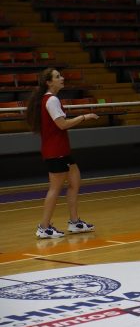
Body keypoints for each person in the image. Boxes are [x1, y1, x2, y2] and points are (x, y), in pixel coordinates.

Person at [25, 68, 99, 239]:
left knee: (75, 180)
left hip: (62, 150)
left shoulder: (51, 99)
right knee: (55, 188)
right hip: (55, 151)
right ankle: (44, 227)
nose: (62, 78)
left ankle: (74, 222)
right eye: (58, 77)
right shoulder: (51, 100)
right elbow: (62, 125)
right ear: (49, 82)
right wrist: (84, 117)